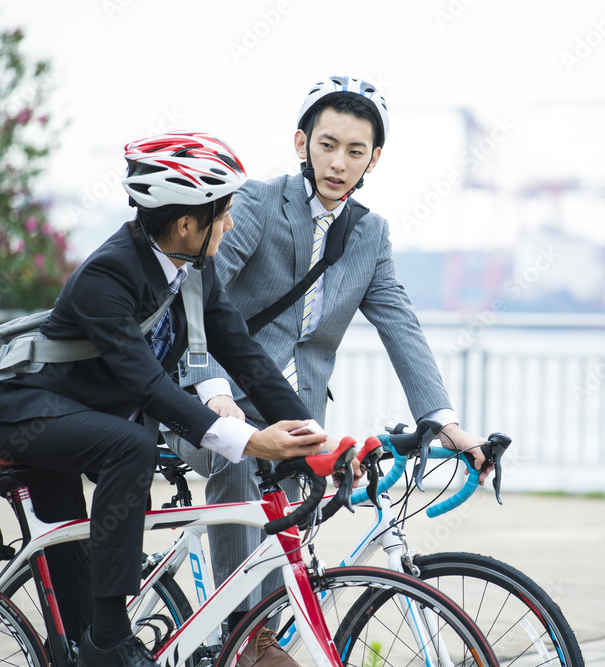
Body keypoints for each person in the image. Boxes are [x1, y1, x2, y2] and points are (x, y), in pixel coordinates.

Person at [0, 132, 326, 667]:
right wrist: (250, 440)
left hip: (75, 417)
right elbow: (147, 388)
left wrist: (311, 437)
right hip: (18, 413)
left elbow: (247, 358)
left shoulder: (192, 272)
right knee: (130, 445)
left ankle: (92, 639)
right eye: (222, 214)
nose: (229, 224)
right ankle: (113, 635)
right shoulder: (107, 275)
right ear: (186, 225)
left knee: (74, 591)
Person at [170, 76, 494, 646]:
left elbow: (403, 329)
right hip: (204, 401)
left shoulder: (370, 235)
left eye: (354, 150)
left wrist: (446, 423)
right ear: (302, 144)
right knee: (239, 454)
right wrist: (214, 392)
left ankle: (267, 627)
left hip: (297, 417)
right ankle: (245, 640)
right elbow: (198, 297)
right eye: (327, 144)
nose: (338, 162)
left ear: (374, 159)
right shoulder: (255, 206)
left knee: (297, 547)